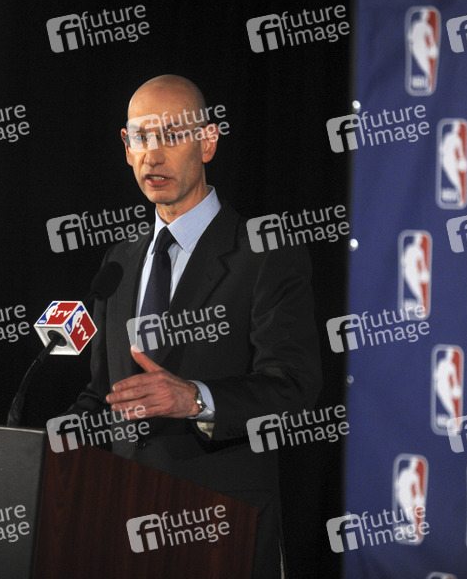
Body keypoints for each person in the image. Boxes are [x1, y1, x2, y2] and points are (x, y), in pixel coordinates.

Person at [68, 75, 322, 577]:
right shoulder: (118, 263)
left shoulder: (264, 253)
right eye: (140, 137)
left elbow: (295, 387)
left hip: (221, 527)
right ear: (126, 148)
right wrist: (50, 445)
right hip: (123, 521)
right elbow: (104, 392)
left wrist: (195, 399)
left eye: (171, 135)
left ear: (207, 142)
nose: (153, 154)